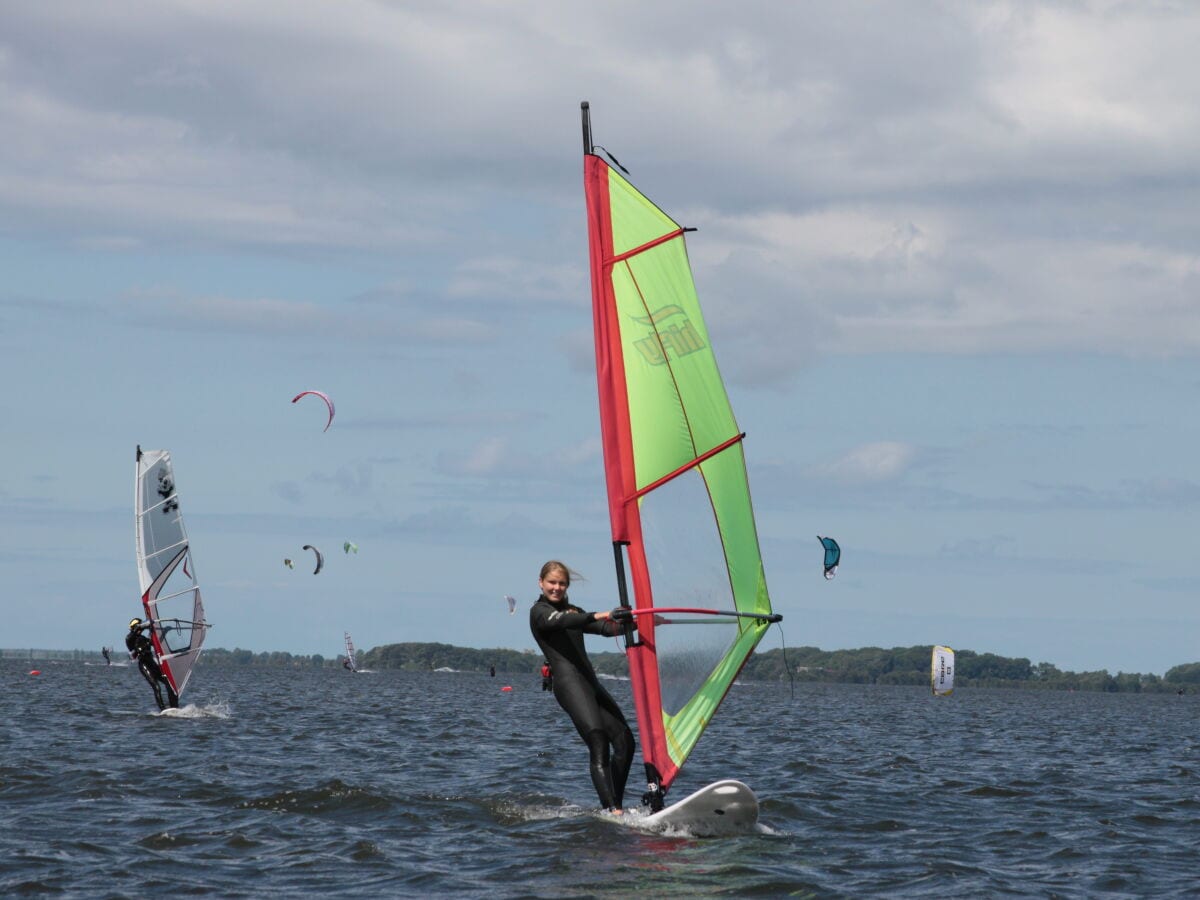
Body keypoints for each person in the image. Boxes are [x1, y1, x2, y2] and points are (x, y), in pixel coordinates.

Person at [529, 560, 635, 814]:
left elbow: (605, 628)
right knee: (598, 740)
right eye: (552, 582)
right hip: (569, 685)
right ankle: (612, 809)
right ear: (541, 583)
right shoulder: (539, 611)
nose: (556, 587)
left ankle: (615, 805)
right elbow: (560, 622)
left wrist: (639, 621)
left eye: (561, 583)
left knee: (625, 742)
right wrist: (600, 613)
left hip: (590, 684)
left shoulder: (573, 610)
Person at [125, 618, 178, 710]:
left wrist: (165, 631)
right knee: (157, 687)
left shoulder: (143, 638)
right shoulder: (130, 639)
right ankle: (163, 709)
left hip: (153, 665)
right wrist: (143, 626)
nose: (141, 628)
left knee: (169, 684)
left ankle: (174, 706)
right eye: (139, 626)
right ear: (135, 627)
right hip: (144, 666)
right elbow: (133, 634)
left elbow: (154, 641)